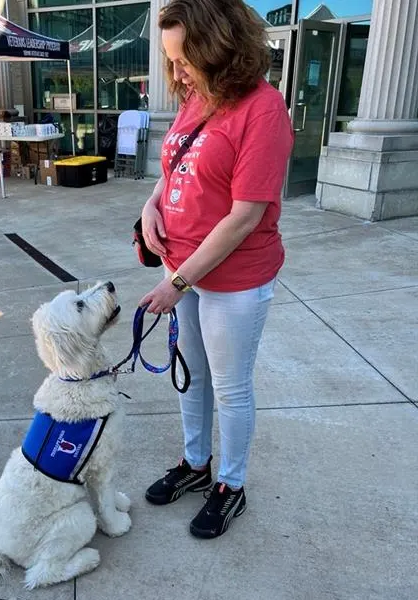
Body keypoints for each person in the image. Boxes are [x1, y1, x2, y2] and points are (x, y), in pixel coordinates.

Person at [139, 0, 293, 539]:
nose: (176, 74)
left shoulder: (263, 110)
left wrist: (176, 283)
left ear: (220, 52)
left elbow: (244, 216)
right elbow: (173, 165)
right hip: (181, 268)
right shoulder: (196, 98)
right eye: (171, 61)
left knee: (229, 387)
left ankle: (231, 485)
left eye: (185, 61)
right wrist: (151, 205)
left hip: (233, 279)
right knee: (192, 381)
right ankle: (195, 465)